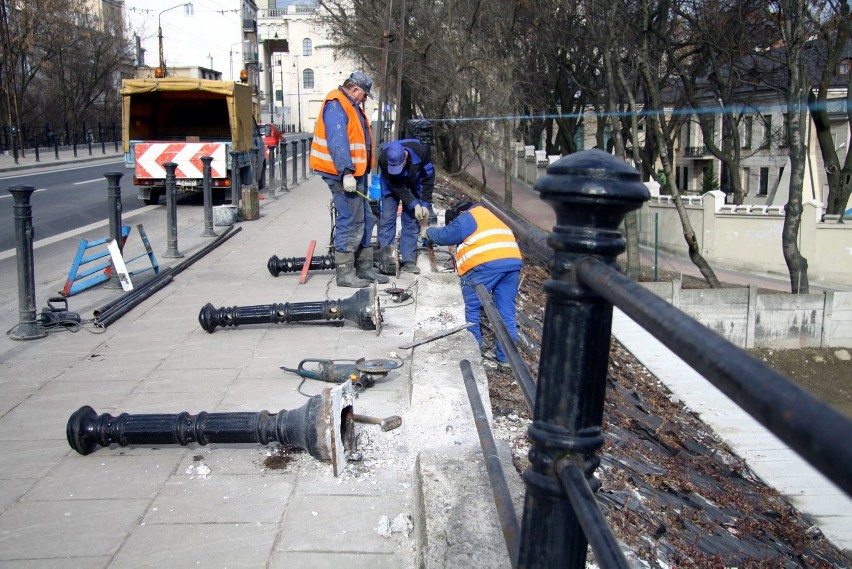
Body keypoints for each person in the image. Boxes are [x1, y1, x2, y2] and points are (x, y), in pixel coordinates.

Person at [310, 71, 388, 287]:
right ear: (355, 89)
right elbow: (338, 140)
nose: (365, 99)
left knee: (367, 218)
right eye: (364, 95)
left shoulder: (350, 105)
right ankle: (345, 273)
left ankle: (364, 268)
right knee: (350, 220)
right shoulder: (336, 104)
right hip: (342, 174)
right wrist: (345, 172)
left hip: (356, 173)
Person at [424, 202, 522, 367]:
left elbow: (446, 235)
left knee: (471, 308)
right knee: (506, 312)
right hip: (512, 264)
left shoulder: (468, 217)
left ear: (461, 212)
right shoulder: (491, 216)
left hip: (485, 266)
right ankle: (506, 358)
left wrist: (427, 232)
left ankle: (474, 352)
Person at [376, 139, 435, 274]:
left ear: (405, 157)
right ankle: (386, 258)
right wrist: (414, 204)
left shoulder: (421, 153)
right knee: (388, 218)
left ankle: (408, 259)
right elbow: (396, 186)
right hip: (392, 186)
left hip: (413, 181)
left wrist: (424, 204)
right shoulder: (383, 159)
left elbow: (428, 179)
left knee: (411, 220)